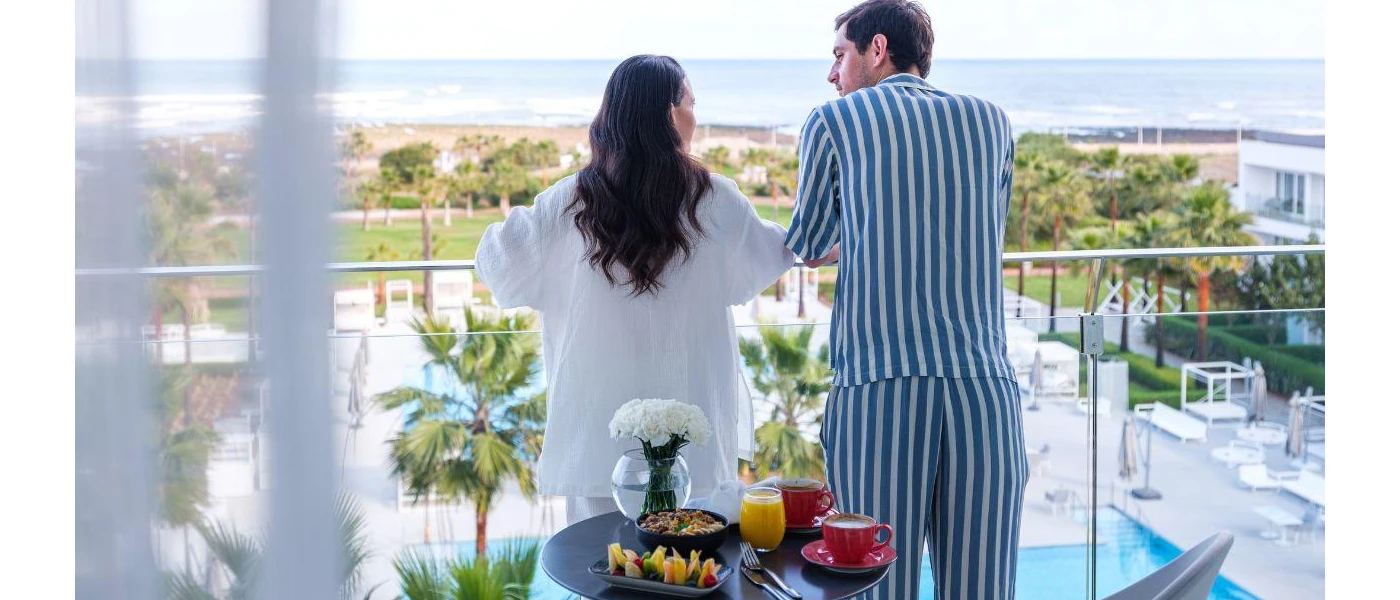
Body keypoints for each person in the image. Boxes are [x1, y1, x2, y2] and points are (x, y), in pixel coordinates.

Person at [475, 55, 794, 525]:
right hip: (694, 435)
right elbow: (774, 253)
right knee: (690, 567)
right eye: (690, 103)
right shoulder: (715, 199)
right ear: (669, 115)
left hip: (598, 439)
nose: (695, 116)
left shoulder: (567, 202)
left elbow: (497, 263)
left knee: (603, 571)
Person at [785, 2, 1028, 598]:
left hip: (879, 390)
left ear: (877, 49)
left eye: (839, 55)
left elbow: (809, 244)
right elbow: (982, 227)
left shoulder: (833, 122)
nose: (832, 75)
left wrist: (867, 230)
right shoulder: (992, 121)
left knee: (872, 585)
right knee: (982, 588)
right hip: (985, 392)